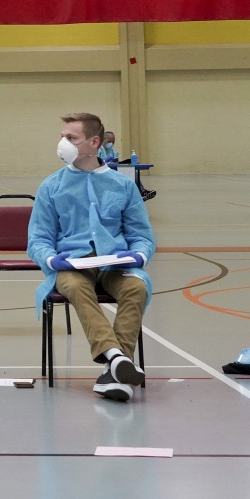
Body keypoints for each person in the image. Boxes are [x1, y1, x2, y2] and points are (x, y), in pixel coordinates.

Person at [27, 113, 154, 403]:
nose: (63, 143)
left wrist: (138, 255)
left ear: (94, 142)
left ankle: (115, 369)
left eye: (71, 138)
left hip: (115, 264)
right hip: (72, 264)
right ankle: (116, 358)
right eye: (62, 136)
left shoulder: (123, 186)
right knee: (74, 286)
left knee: (137, 287)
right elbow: (38, 238)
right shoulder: (51, 186)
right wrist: (51, 260)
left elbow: (142, 234)